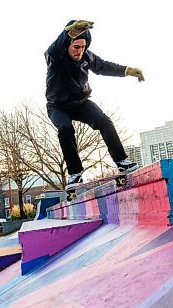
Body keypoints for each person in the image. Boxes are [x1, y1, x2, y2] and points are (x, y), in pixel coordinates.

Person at [45, 20, 144, 190]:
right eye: (76, 47)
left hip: (81, 103)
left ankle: (121, 161)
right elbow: (52, 50)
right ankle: (75, 173)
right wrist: (67, 34)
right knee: (65, 128)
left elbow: (104, 66)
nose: (80, 51)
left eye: (83, 47)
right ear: (68, 44)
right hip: (58, 106)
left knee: (104, 121)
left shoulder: (87, 57)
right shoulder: (57, 57)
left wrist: (127, 70)